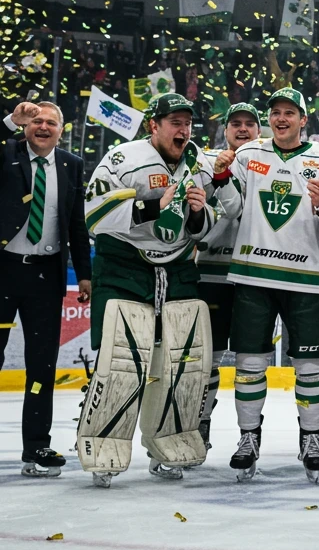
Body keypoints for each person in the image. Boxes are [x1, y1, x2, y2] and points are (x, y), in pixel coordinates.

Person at [77, 92, 230, 487]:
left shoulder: (198, 163)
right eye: (174, 122)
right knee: (123, 363)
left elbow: (211, 222)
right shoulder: (122, 158)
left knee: (182, 364)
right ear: (154, 126)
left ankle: (168, 441)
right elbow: (93, 214)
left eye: (187, 123)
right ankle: (103, 442)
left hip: (178, 266)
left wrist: (198, 213)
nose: (183, 130)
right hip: (125, 265)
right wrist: (149, 205)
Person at [221, 87, 319, 483]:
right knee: (248, 365)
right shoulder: (248, 156)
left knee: (312, 367)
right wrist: (222, 177)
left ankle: (311, 438)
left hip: (307, 279)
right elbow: (230, 209)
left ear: (303, 120)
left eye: (289, 113)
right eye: (275, 112)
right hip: (252, 275)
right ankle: (248, 438)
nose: (281, 119)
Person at [0, 100, 91, 476]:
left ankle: (37, 446)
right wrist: (8, 122)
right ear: (24, 126)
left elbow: (76, 223)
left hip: (45, 278)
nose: (42, 126)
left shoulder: (72, 164)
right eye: (35, 120)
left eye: (50, 122)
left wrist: (84, 273)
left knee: (42, 365)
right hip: (3, 272)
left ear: (61, 130)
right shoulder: (6, 154)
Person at [196, 102, 261, 448]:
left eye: (250, 124)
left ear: (259, 131)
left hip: (254, 276)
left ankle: (249, 436)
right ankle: (200, 424)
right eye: (235, 123)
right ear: (224, 130)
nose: (242, 129)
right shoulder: (204, 164)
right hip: (211, 274)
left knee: (252, 361)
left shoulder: (268, 165)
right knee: (208, 357)